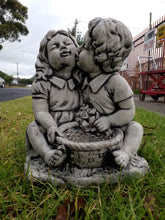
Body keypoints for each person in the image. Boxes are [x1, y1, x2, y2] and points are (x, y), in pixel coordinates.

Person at [77, 17, 143, 168]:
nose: (79, 51)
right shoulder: (84, 78)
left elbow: (128, 110)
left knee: (136, 128)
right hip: (90, 128)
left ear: (102, 57)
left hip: (116, 128)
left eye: (85, 48)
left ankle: (125, 153)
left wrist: (109, 120)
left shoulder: (115, 82)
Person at [26, 30, 80, 167]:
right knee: (33, 128)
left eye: (67, 43)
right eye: (55, 46)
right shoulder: (42, 84)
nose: (63, 47)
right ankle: (47, 153)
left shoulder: (82, 80)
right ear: (46, 58)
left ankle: (73, 152)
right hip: (52, 125)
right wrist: (51, 126)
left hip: (77, 124)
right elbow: (40, 112)